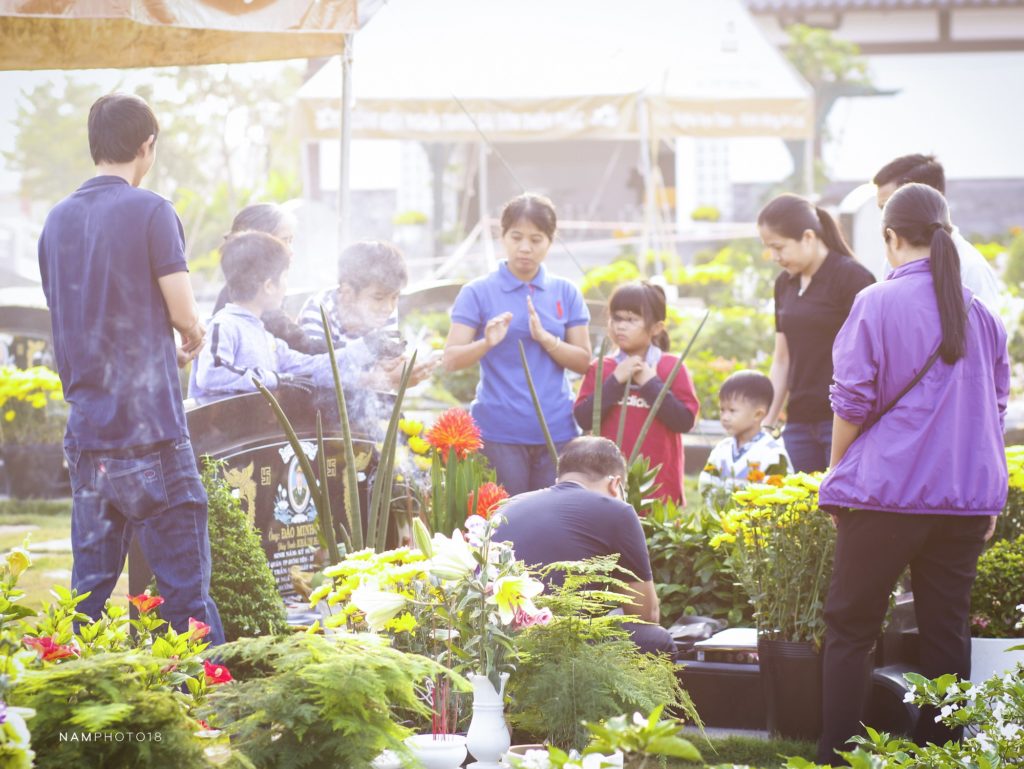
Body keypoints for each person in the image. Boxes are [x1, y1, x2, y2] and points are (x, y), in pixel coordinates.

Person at [815, 183, 1009, 764]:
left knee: (851, 626)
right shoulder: (983, 316)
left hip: (884, 496)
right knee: (947, 629)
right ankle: (941, 752)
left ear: (890, 238)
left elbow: (850, 401)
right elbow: (992, 414)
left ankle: (839, 754)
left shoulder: (876, 302)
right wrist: (989, 500)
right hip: (963, 502)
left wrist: (835, 473)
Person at [37, 93, 224, 644]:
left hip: (88, 434)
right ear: (147, 146)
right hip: (150, 434)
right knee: (184, 597)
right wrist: (188, 339)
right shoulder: (152, 210)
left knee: (85, 600)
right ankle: (200, 715)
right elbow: (185, 314)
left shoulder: (56, 220)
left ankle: (71, 701)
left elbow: (77, 312)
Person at [443, 194, 591, 495]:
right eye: (516, 237)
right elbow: (451, 359)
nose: (525, 248)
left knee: (550, 525)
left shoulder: (566, 292)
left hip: (556, 431)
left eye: (536, 239)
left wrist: (548, 340)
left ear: (550, 241)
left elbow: (584, 361)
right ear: (503, 237)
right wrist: (487, 342)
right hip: (499, 433)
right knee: (503, 525)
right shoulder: (478, 291)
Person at [494, 436, 675, 655]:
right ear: (615, 484)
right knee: (659, 641)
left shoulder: (509, 506)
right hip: (557, 643)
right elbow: (646, 615)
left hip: (497, 642)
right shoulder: (617, 511)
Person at [759, 194, 876, 473]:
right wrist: (766, 423)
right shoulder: (785, 284)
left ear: (808, 237)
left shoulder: (852, 279)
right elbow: (782, 359)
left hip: (841, 422)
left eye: (779, 247)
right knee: (802, 512)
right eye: (769, 249)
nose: (775, 258)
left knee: (841, 511)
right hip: (798, 424)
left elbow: (870, 358)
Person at [574, 281, 699, 504]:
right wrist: (615, 381)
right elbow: (583, 417)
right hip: (607, 484)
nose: (620, 326)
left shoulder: (671, 367)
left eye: (631, 320)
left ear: (656, 327)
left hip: (659, 486)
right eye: (616, 318)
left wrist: (651, 384)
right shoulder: (602, 367)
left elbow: (684, 421)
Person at [189, 231, 339, 400]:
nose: (286, 286)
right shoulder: (224, 325)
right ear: (269, 286)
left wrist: (362, 350)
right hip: (217, 426)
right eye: (285, 277)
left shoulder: (265, 337)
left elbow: (309, 365)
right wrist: (274, 379)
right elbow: (212, 373)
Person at [297, 240, 435, 391]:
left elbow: (384, 368)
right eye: (378, 298)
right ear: (348, 292)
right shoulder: (318, 312)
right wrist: (385, 379)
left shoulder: (384, 312)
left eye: (395, 297)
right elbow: (315, 374)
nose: (388, 308)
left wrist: (400, 366)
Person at [874, 154, 1001, 309]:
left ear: (926, 196)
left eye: (888, 205)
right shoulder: (892, 260)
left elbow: (987, 331)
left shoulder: (971, 268)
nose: (884, 217)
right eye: (882, 209)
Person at [211, 203, 323, 354]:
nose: (291, 251)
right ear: (256, 242)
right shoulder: (253, 299)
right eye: (285, 240)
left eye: (291, 241)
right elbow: (302, 347)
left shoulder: (250, 291)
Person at [698, 370, 792, 506]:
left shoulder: (773, 454)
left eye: (732, 410)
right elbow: (706, 483)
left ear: (758, 415)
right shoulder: (722, 449)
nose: (724, 417)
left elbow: (780, 497)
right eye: (722, 410)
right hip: (722, 523)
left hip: (757, 525)